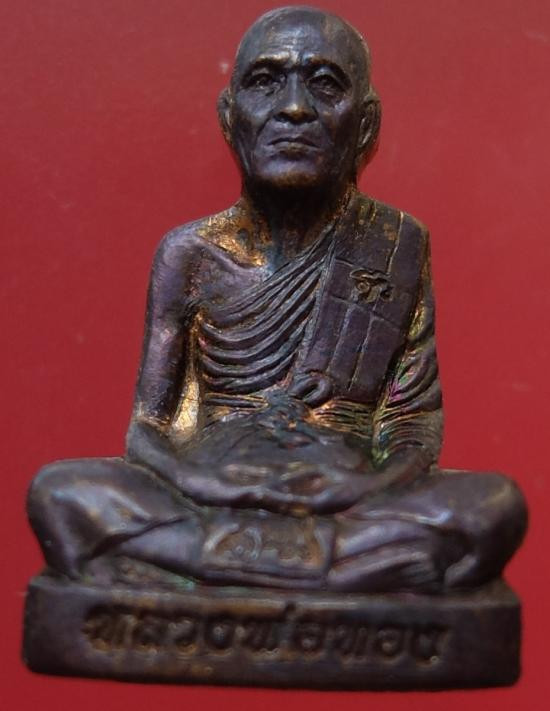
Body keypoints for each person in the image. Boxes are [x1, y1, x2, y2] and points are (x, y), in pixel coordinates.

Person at [27, 6, 526, 593]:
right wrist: (209, 485)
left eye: (325, 84)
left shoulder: (396, 245)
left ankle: (198, 562)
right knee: (60, 491)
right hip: (215, 487)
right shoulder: (190, 254)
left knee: (493, 503)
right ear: (229, 116)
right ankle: (344, 569)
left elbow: (411, 422)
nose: (294, 108)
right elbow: (149, 428)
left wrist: (363, 487)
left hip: (342, 495)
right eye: (265, 82)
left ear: (366, 125)